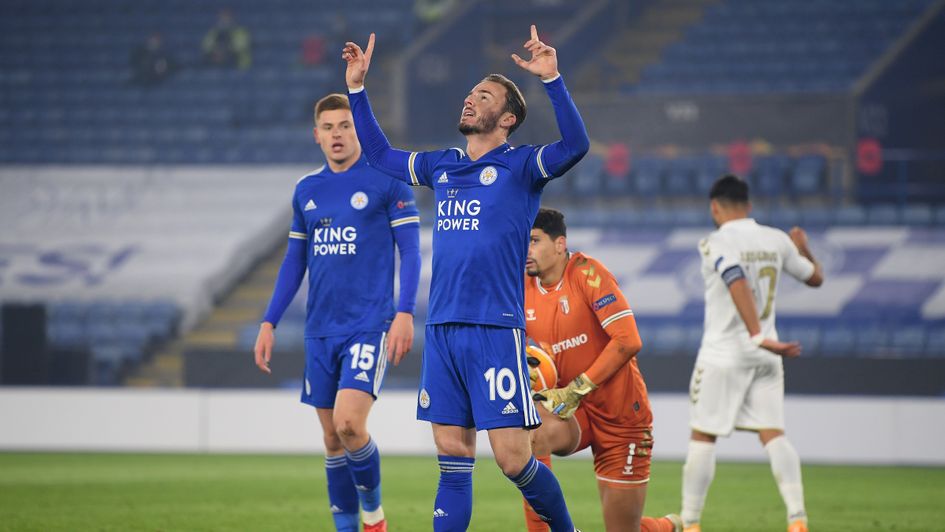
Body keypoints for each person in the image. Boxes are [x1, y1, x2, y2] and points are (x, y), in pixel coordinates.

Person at [342, 25, 589, 532]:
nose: (470, 99)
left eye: (484, 96)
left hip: (494, 330)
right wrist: (358, 90)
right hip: (443, 330)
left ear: (508, 118)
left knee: (513, 459)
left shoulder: (522, 166)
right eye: (470, 92)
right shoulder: (444, 166)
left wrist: (553, 79)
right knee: (452, 456)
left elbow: (576, 145)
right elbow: (381, 157)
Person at [253, 93, 421, 532]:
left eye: (345, 126)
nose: (337, 135)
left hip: (369, 325)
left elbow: (412, 252)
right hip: (320, 330)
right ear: (316, 136)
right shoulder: (306, 190)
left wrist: (405, 312)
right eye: (328, 128)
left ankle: (374, 514)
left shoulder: (387, 182)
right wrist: (269, 321)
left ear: (358, 130)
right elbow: (294, 262)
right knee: (331, 440)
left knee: (349, 425)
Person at [522, 207, 682, 532]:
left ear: (559, 244)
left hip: (621, 417)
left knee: (623, 529)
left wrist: (575, 389)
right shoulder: (520, 286)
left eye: (534, 241)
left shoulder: (587, 273)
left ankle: (668, 527)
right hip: (574, 414)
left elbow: (628, 340)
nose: (526, 250)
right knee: (531, 434)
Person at [680, 175, 823, 532]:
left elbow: (736, 280)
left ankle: (692, 522)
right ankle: (797, 517)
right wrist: (802, 247)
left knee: (703, 435)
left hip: (724, 354)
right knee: (773, 433)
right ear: (749, 205)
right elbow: (816, 278)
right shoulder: (776, 240)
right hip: (767, 356)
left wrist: (756, 335)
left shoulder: (715, 242)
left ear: (715, 207)